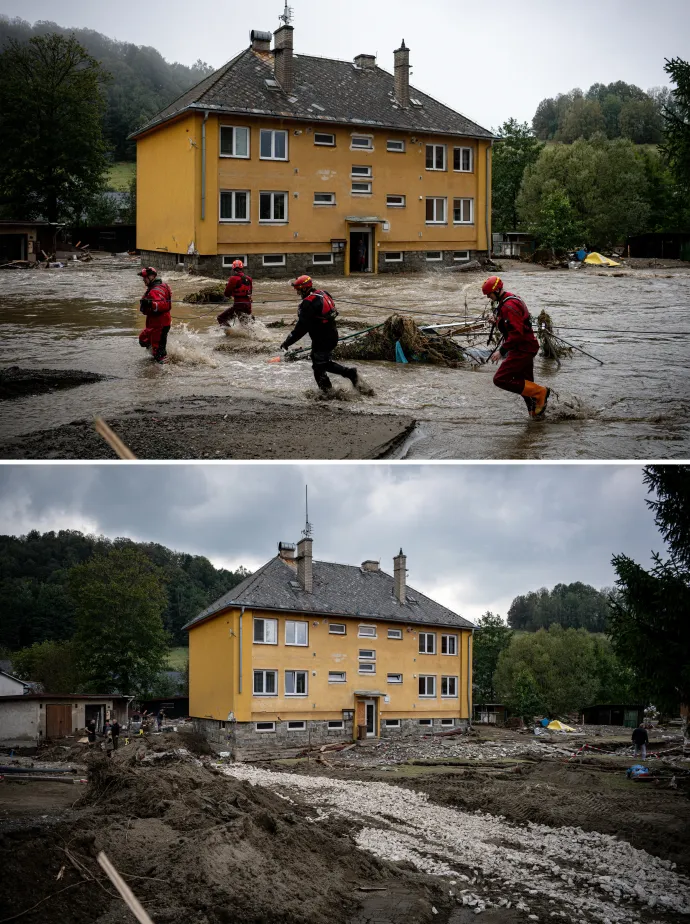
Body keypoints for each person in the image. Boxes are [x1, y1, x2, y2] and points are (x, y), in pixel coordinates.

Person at [280, 275, 366, 395]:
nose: (298, 293)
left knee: (322, 364)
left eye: (299, 290)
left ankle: (349, 374)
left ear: (305, 289)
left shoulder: (308, 304)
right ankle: (327, 391)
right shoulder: (323, 293)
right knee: (317, 365)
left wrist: (287, 342)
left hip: (322, 339)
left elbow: (301, 329)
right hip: (331, 334)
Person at [483, 276, 550, 419]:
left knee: (500, 379)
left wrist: (501, 351)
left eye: (489, 294)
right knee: (525, 385)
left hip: (522, 349)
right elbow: (512, 325)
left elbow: (517, 334)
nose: (489, 297)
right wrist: (497, 322)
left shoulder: (509, 306)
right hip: (526, 347)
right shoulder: (507, 300)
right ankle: (536, 417)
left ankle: (541, 392)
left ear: (497, 290)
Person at [138, 267, 172, 364]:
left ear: (152, 276)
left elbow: (163, 305)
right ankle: (157, 356)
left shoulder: (156, 290)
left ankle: (164, 373)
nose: (143, 280)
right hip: (153, 323)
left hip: (160, 325)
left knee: (159, 353)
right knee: (143, 340)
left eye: (145, 277)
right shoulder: (160, 286)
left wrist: (150, 304)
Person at [218, 260, 253, 326]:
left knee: (221, 318)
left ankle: (229, 334)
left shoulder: (233, 278)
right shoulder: (249, 279)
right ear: (242, 268)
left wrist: (232, 291)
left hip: (238, 306)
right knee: (245, 325)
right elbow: (250, 292)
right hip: (248, 306)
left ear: (233, 269)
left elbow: (226, 294)